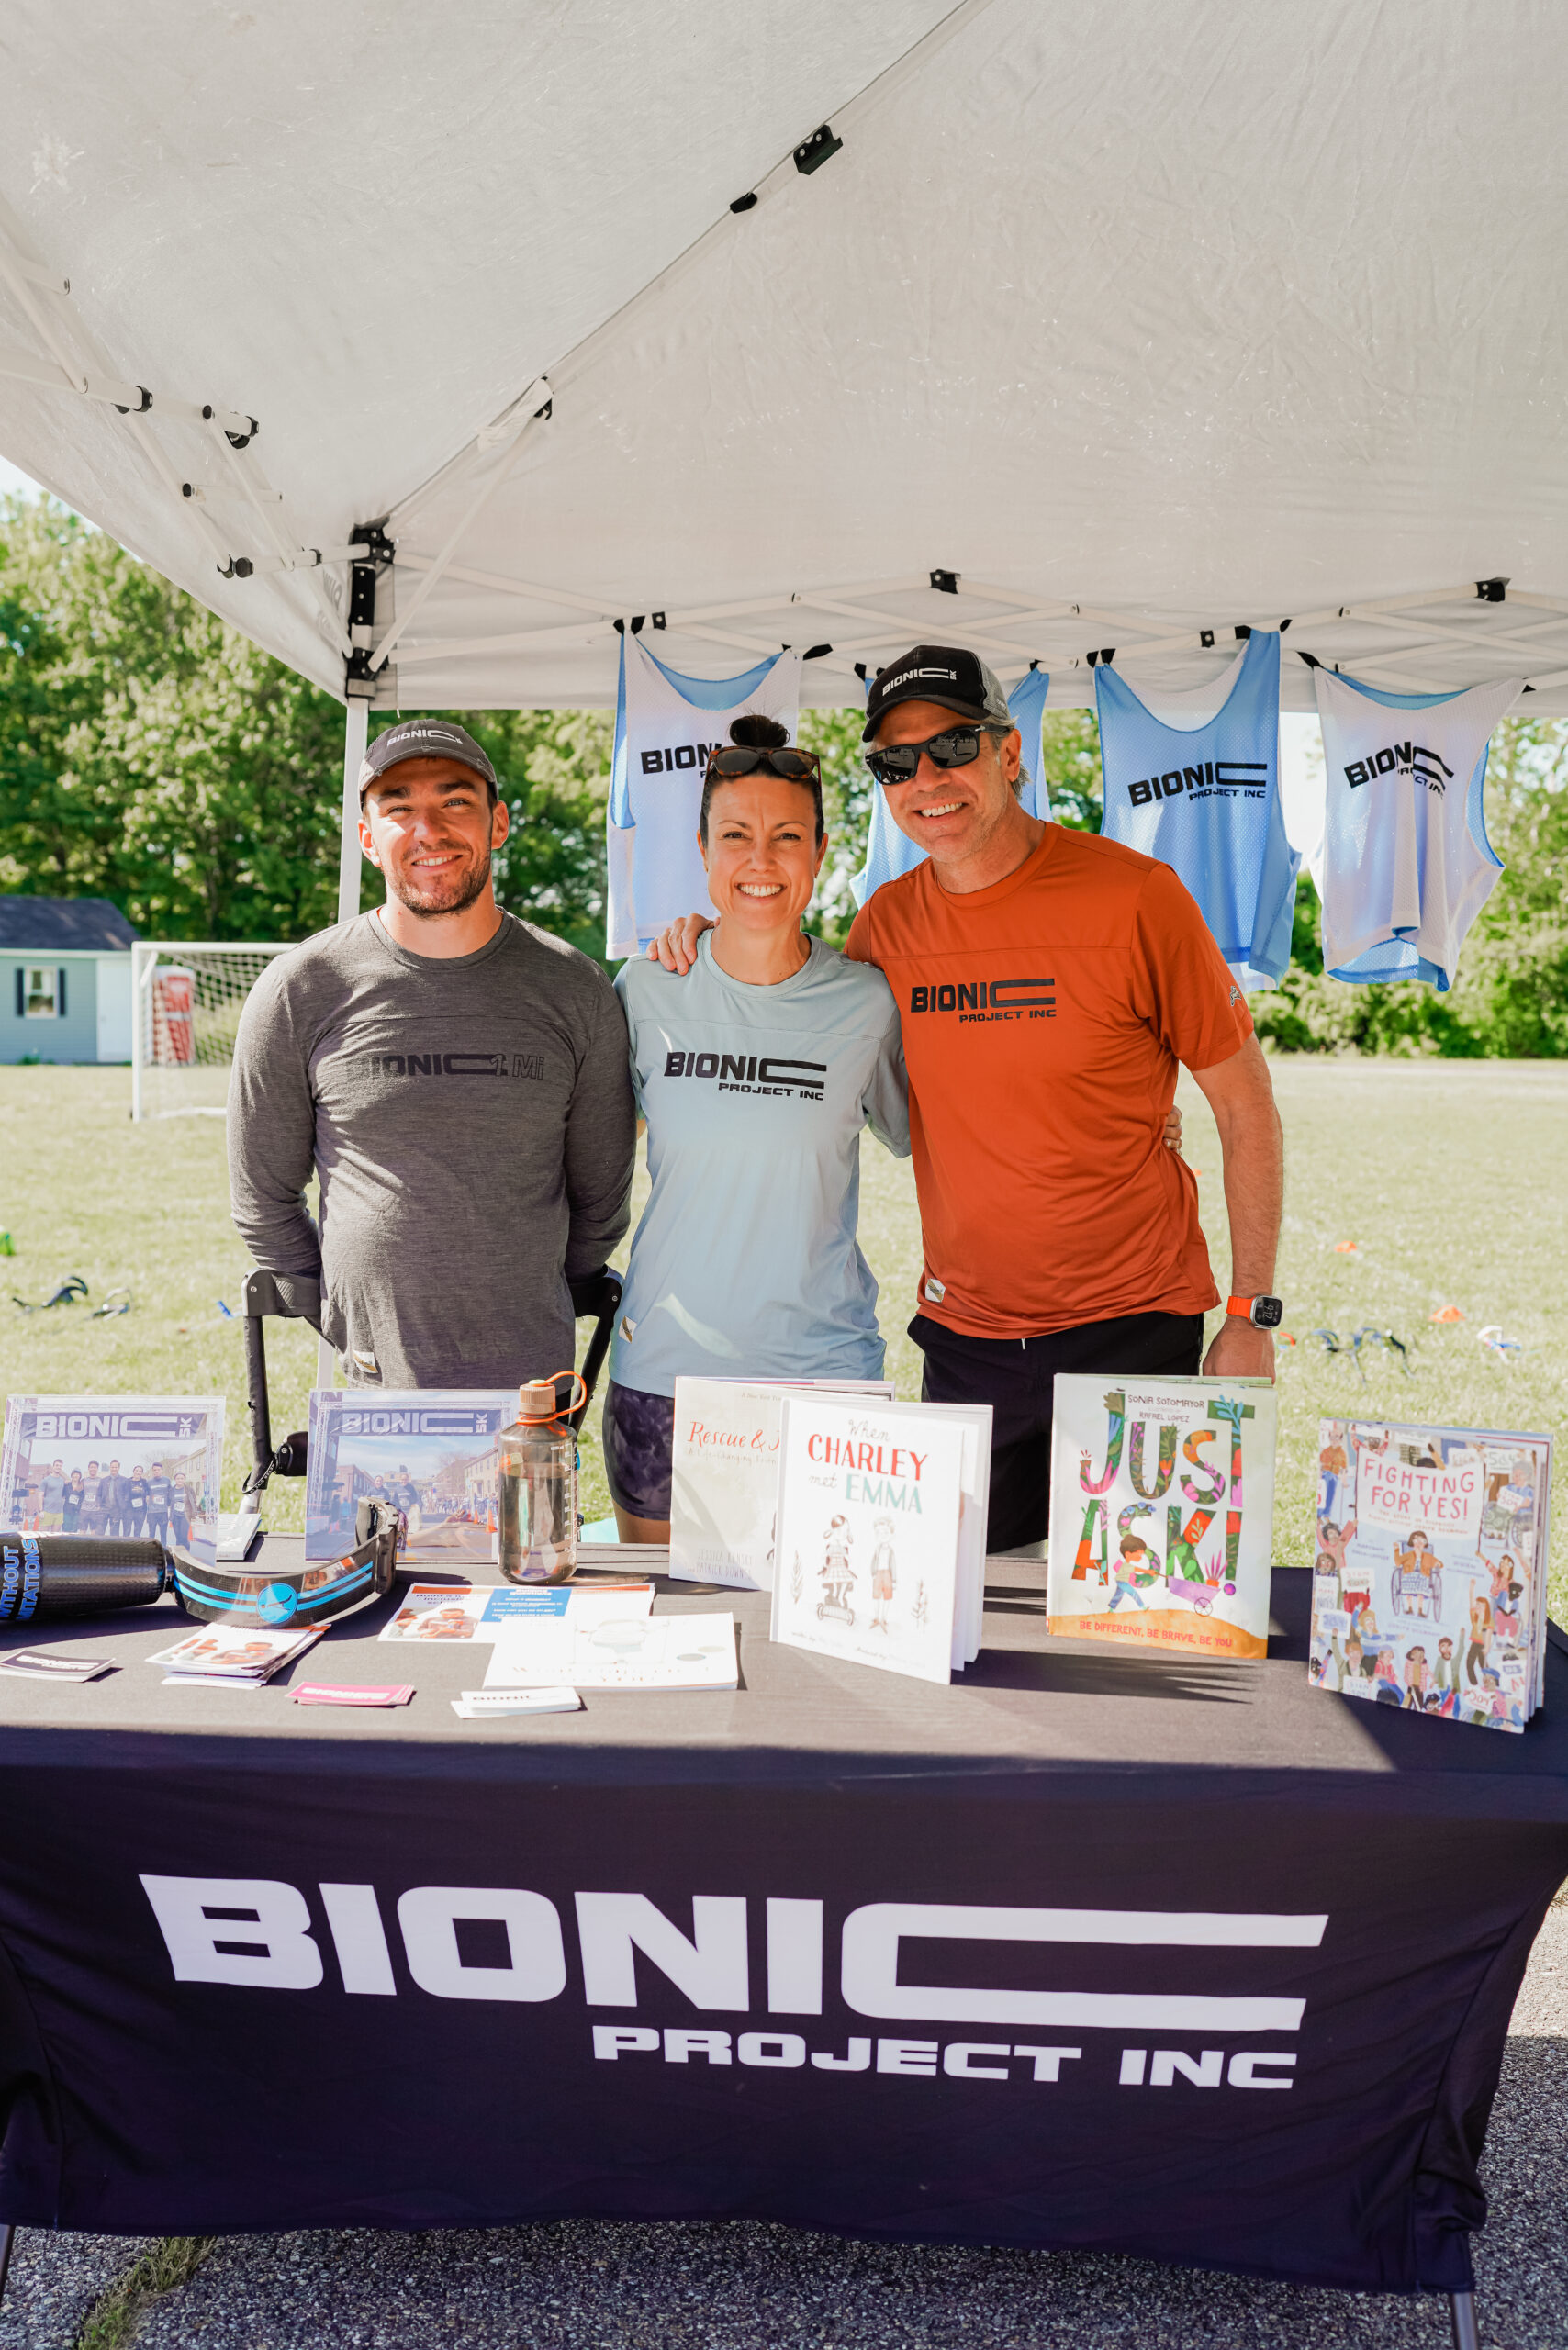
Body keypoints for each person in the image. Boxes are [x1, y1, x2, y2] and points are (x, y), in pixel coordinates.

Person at [649, 644, 1286, 1548]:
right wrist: (705, 936)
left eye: (951, 747)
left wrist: (1251, 1312)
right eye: (896, 762)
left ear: (1008, 751)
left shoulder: (1137, 898)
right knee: (967, 1633)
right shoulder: (886, 926)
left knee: (1143, 1609)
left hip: (1132, 1329)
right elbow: (786, 992)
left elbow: (1245, 1106)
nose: (926, 779)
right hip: (966, 1342)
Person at [228, 719, 636, 1391]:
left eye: (455, 802)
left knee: (527, 1506)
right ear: (366, 837)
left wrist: (526, 1301)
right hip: (373, 1384)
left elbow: (601, 1206)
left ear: (497, 823)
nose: (429, 830)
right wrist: (347, 1313)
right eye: (398, 809)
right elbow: (263, 1201)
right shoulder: (300, 988)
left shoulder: (574, 988)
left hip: (531, 1393)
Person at [604, 716, 911, 1539]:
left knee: (835, 1628)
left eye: (787, 836)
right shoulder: (646, 988)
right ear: (703, 851)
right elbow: (575, 1156)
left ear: (819, 852)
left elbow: (948, 1133)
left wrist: (1131, 1116)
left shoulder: (868, 1003)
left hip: (823, 1376)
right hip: (666, 1374)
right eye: (735, 835)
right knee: (673, 1635)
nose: (761, 860)